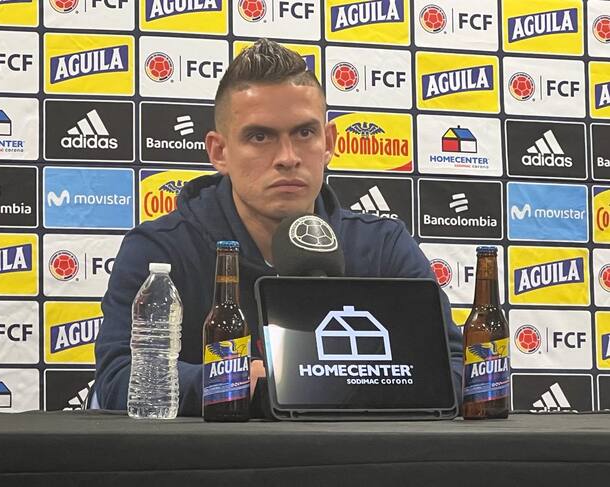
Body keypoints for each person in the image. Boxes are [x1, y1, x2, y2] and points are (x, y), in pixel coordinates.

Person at [94, 38, 463, 415]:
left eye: (304, 133)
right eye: (260, 136)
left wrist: (334, 383)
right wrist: (235, 382)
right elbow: (118, 380)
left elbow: (454, 370)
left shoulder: (384, 246)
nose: (287, 158)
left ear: (329, 142)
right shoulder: (160, 251)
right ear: (220, 152)